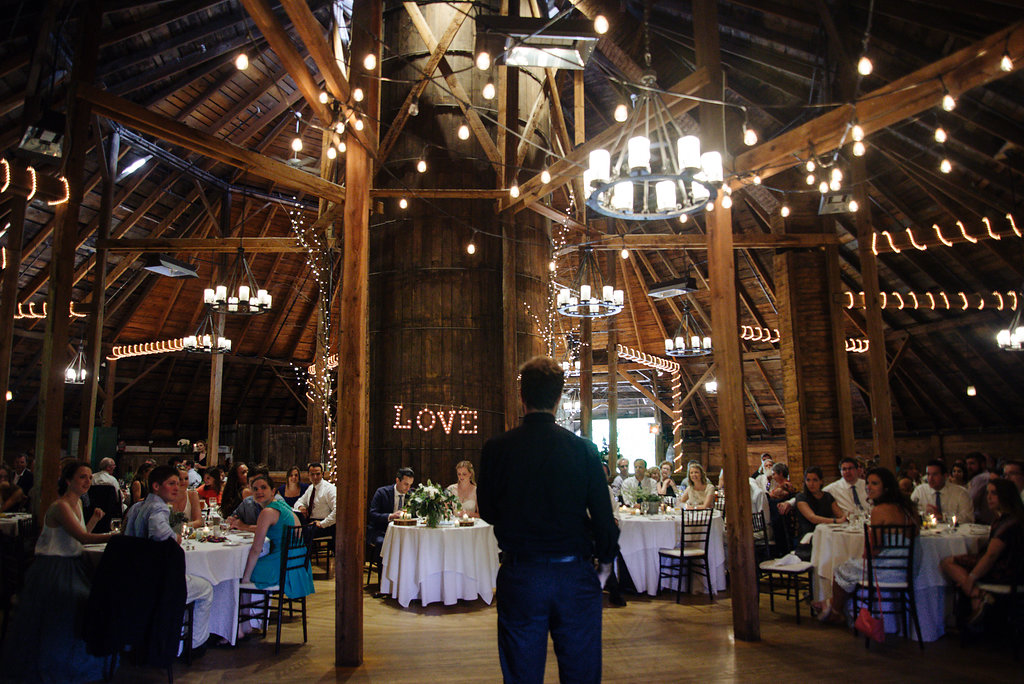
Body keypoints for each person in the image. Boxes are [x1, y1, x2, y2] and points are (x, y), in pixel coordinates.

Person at [478, 356, 618, 683]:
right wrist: (605, 567)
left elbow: (487, 511)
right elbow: (604, 518)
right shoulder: (584, 449)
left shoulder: (497, 448)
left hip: (522, 573)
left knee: (522, 674)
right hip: (575, 574)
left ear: (521, 396)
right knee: (581, 674)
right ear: (558, 398)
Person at [0, 461, 112, 682]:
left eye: (90, 477)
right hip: (53, 567)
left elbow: (78, 537)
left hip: (72, 563)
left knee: (85, 604)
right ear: (68, 480)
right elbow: (83, 538)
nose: (88, 481)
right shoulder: (60, 506)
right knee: (61, 613)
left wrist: (94, 520)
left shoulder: (78, 503)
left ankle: (72, 661)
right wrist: (116, 535)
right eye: (82, 477)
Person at [812, 467, 921, 624]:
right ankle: (830, 605)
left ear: (886, 487)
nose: (868, 487)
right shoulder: (909, 508)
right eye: (868, 483)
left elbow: (873, 552)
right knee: (849, 568)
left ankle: (835, 610)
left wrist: (869, 539)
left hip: (885, 571)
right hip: (909, 568)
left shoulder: (880, 510)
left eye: (874, 483)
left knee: (840, 570)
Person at [124, 465, 213, 651]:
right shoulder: (159, 508)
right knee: (206, 588)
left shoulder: (136, 507)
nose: (177, 487)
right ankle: (191, 644)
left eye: (179, 482)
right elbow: (161, 536)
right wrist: (176, 537)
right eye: (171, 483)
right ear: (156, 486)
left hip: (134, 578)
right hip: (157, 581)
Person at [940, 478, 1024, 624]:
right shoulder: (1009, 519)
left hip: (1006, 571)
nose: (989, 497)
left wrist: (970, 579)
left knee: (947, 563)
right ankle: (978, 599)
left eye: (994, 493)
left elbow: (991, 555)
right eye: (987, 493)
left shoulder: (1008, 523)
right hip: (1011, 568)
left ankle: (978, 597)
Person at [240, 473, 314, 615]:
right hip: (295, 565)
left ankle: (242, 627)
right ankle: (250, 623)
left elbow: (256, 549)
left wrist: (245, 578)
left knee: (237, 571)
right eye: (255, 489)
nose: (259, 492)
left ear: (273, 491)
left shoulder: (267, 512)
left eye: (263, 487)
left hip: (280, 568)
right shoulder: (283, 506)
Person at [794, 466, 847, 544]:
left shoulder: (827, 496)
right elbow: (813, 518)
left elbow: (840, 514)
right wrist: (836, 521)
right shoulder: (801, 497)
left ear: (821, 481)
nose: (811, 484)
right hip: (810, 536)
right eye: (808, 480)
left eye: (815, 480)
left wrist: (847, 517)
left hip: (829, 533)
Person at [367, 467, 415, 546]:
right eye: (406, 484)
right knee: (384, 543)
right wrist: (391, 516)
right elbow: (372, 514)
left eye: (410, 485)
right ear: (397, 480)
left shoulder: (411, 495)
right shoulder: (382, 492)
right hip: (382, 530)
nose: (408, 488)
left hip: (405, 532)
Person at [291, 462, 337, 537]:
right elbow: (298, 502)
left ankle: (304, 549)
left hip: (326, 525)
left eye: (318, 474)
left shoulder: (330, 489)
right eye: (312, 474)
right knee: (292, 529)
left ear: (323, 474)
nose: (315, 477)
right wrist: (300, 507)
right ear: (308, 475)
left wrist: (322, 524)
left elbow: (337, 511)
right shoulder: (311, 488)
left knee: (301, 533)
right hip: (311, 522)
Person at [965, 451, 994, 523]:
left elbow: (971, 500)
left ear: (983, 464)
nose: (969, 467)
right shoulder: (981, 476)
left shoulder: (981, 478)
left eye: (972, 463)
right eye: (967, 464)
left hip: (983, 520)